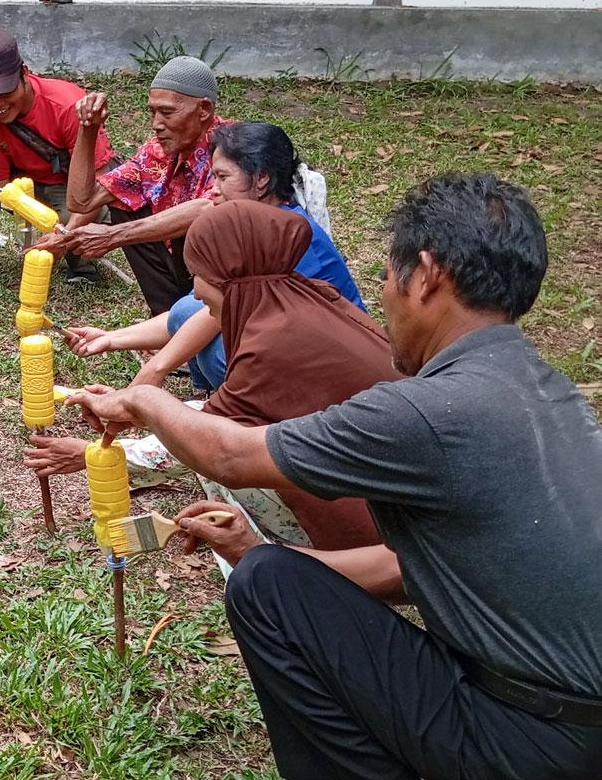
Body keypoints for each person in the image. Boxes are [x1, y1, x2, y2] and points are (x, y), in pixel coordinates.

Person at [70, 173, 602, 780]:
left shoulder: (429, 411)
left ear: (425, 275)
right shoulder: (553, 395)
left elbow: (231, 457)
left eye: (387, 274)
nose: (383, 294)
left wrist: (140, 400)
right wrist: (256, 549)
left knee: (263, 590)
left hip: (525, 738)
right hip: (573, 728)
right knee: (271, 572)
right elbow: (420, 568)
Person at [29, 200, 396, 550]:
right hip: (381, 486)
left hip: (379, 525)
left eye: (199, 276)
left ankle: (277, 562)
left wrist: (96, 452)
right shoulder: (307, 296)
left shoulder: (274, 343)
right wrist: (136, 405)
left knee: (207, 452)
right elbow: (223, 412)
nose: (197, 290)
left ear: (230, 277)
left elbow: (217, 445)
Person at [64, 121, 361, 391]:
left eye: (222, 178)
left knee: (216, 353)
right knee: (186, 308)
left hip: (335, 361)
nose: (214, 192)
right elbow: (202, 312)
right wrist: (110, 338)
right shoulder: (258, 223)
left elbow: (216, 318)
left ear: (261, 179)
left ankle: (246, 406)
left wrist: (155, 370)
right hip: (300, 342)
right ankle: (212, 396)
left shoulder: (286, 235)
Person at [36, 55, 227, 314]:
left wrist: (115, 235)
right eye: (153, 112)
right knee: (126, 206)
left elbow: (211, 207)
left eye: (167, 112)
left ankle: (203, 319)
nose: (156, 124)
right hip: (185, 265)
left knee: (194, 227)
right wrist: (88, 128)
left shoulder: (232, 149)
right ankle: (168, 317)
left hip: (228, 279)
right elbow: (82, 201)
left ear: (203, 109)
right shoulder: (156, 152)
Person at [0, 28, 117, 282]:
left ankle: (83, 265)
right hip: (24, 186)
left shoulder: (67, 105)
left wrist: (65, 234)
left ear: (25, 74)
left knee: (72, 221)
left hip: (71, 186)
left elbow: (99, 181)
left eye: (6, 92)